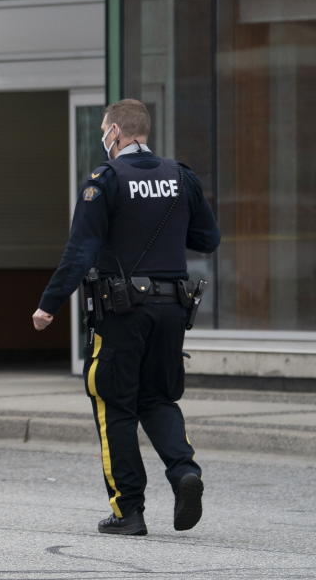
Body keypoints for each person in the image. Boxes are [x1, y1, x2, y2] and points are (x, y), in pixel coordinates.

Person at [32, 99, 220, 536]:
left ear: (116, 131)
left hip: (122, 312)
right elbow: (207, 238)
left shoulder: (106, 179)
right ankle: (184, 473)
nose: (103, 136)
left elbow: (81, 251)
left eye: (104, 129)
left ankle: (127, 511)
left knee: (114, 403)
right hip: (173, 307)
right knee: (158, 398)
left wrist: (48, 305)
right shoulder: (182, 176)